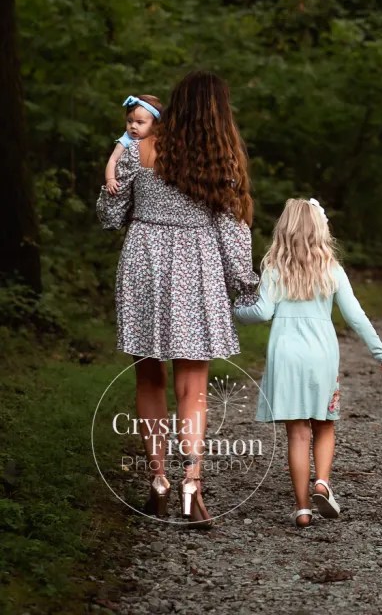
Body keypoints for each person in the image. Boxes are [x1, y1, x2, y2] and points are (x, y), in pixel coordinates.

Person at [97, 71, 258, 527]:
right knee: (193, 385)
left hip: (143, 263)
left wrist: (112, 181)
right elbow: (231, 230)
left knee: (149, 377)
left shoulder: (139, 148)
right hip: (196, 268)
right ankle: (192, 483)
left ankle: (158, 480)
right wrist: (245, 282)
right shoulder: (220, 159)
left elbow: (110, 215)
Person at [233, 198, 382, 528]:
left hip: (286, 355)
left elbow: (262, 312)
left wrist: (235, 312)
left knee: (297, 434)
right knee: (324, 423)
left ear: (284, 229)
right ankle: (322, 482)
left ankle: (302, 508)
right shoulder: (332, 269)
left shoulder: (274, 267)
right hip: (321, 355)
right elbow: (356, 317)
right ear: (321, 230)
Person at [104, 94, 163, 195]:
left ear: (154, 125)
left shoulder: (158, 140)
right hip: (127, 187)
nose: (133, 126)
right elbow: (112, 160)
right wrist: (110, 179)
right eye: (129, 121)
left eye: (140, 122)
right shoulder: (125, 140)